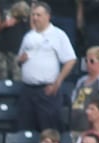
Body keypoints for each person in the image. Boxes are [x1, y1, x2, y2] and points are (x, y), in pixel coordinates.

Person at [15, 2, 75, 135]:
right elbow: (19, 60)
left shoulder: (58, 35)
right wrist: (20, 59)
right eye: (33, 15)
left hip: (47, 91)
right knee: (25, 130)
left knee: (49, 131)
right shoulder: (28, 36)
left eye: (39, 15)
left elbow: (70, 60)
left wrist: (57, 82)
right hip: (27, 90)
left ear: (48, 16)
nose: (35, 18)